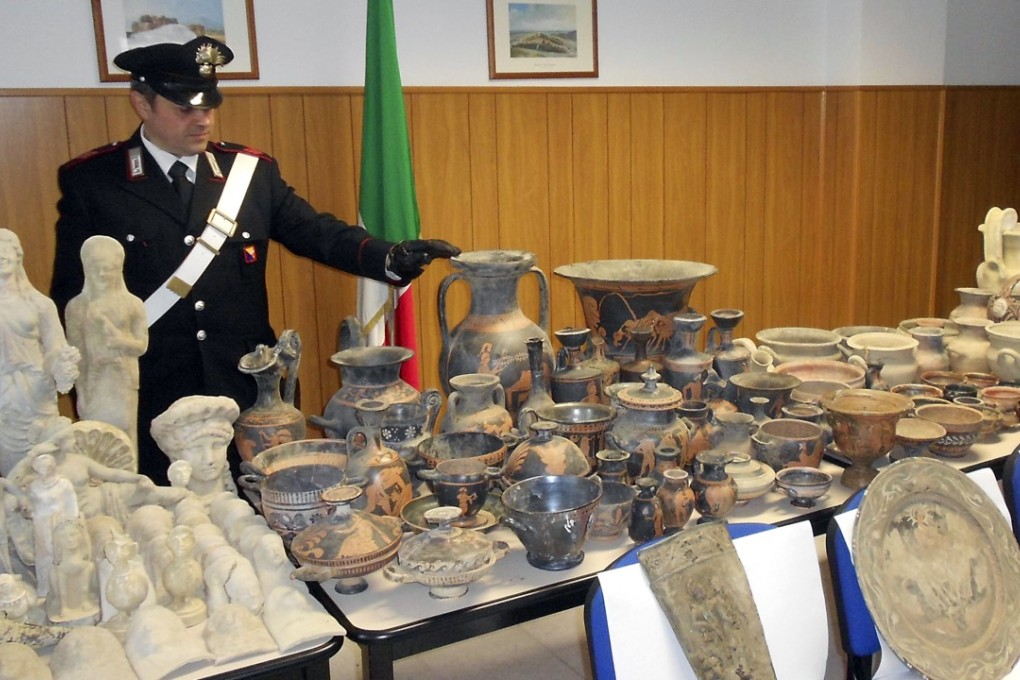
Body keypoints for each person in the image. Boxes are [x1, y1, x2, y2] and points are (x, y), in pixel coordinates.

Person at [50, 36, 460, 484]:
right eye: (184, 109)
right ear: (142, 104)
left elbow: (315, 232)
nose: (202, 120)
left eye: (209, 107)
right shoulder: (95, 182)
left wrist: (389, 257)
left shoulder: (247, 173)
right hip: (152, 393)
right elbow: (72, 296)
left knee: (262, 504)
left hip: (248, 391)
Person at [0, 229, 80, 476]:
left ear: (18, 255)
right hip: (4, 393)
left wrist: (62, 364)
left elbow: (55, 348)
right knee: (14, 470)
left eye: (6, 249)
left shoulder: (41, 304)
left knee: (48, 459)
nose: (1, 255)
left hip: (36, 390)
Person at [64, 235, 148, 450]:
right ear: (87, 269)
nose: (102, 274)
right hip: (95, 382)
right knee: (96, 436)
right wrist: (81, 394)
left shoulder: (133, 304)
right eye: (96, 269)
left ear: (118, 269)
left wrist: (120, 342)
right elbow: (78, 356)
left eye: (107, 268)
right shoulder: (76, 307)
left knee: (125, 437)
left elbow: (141, 345)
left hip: (123, 380)